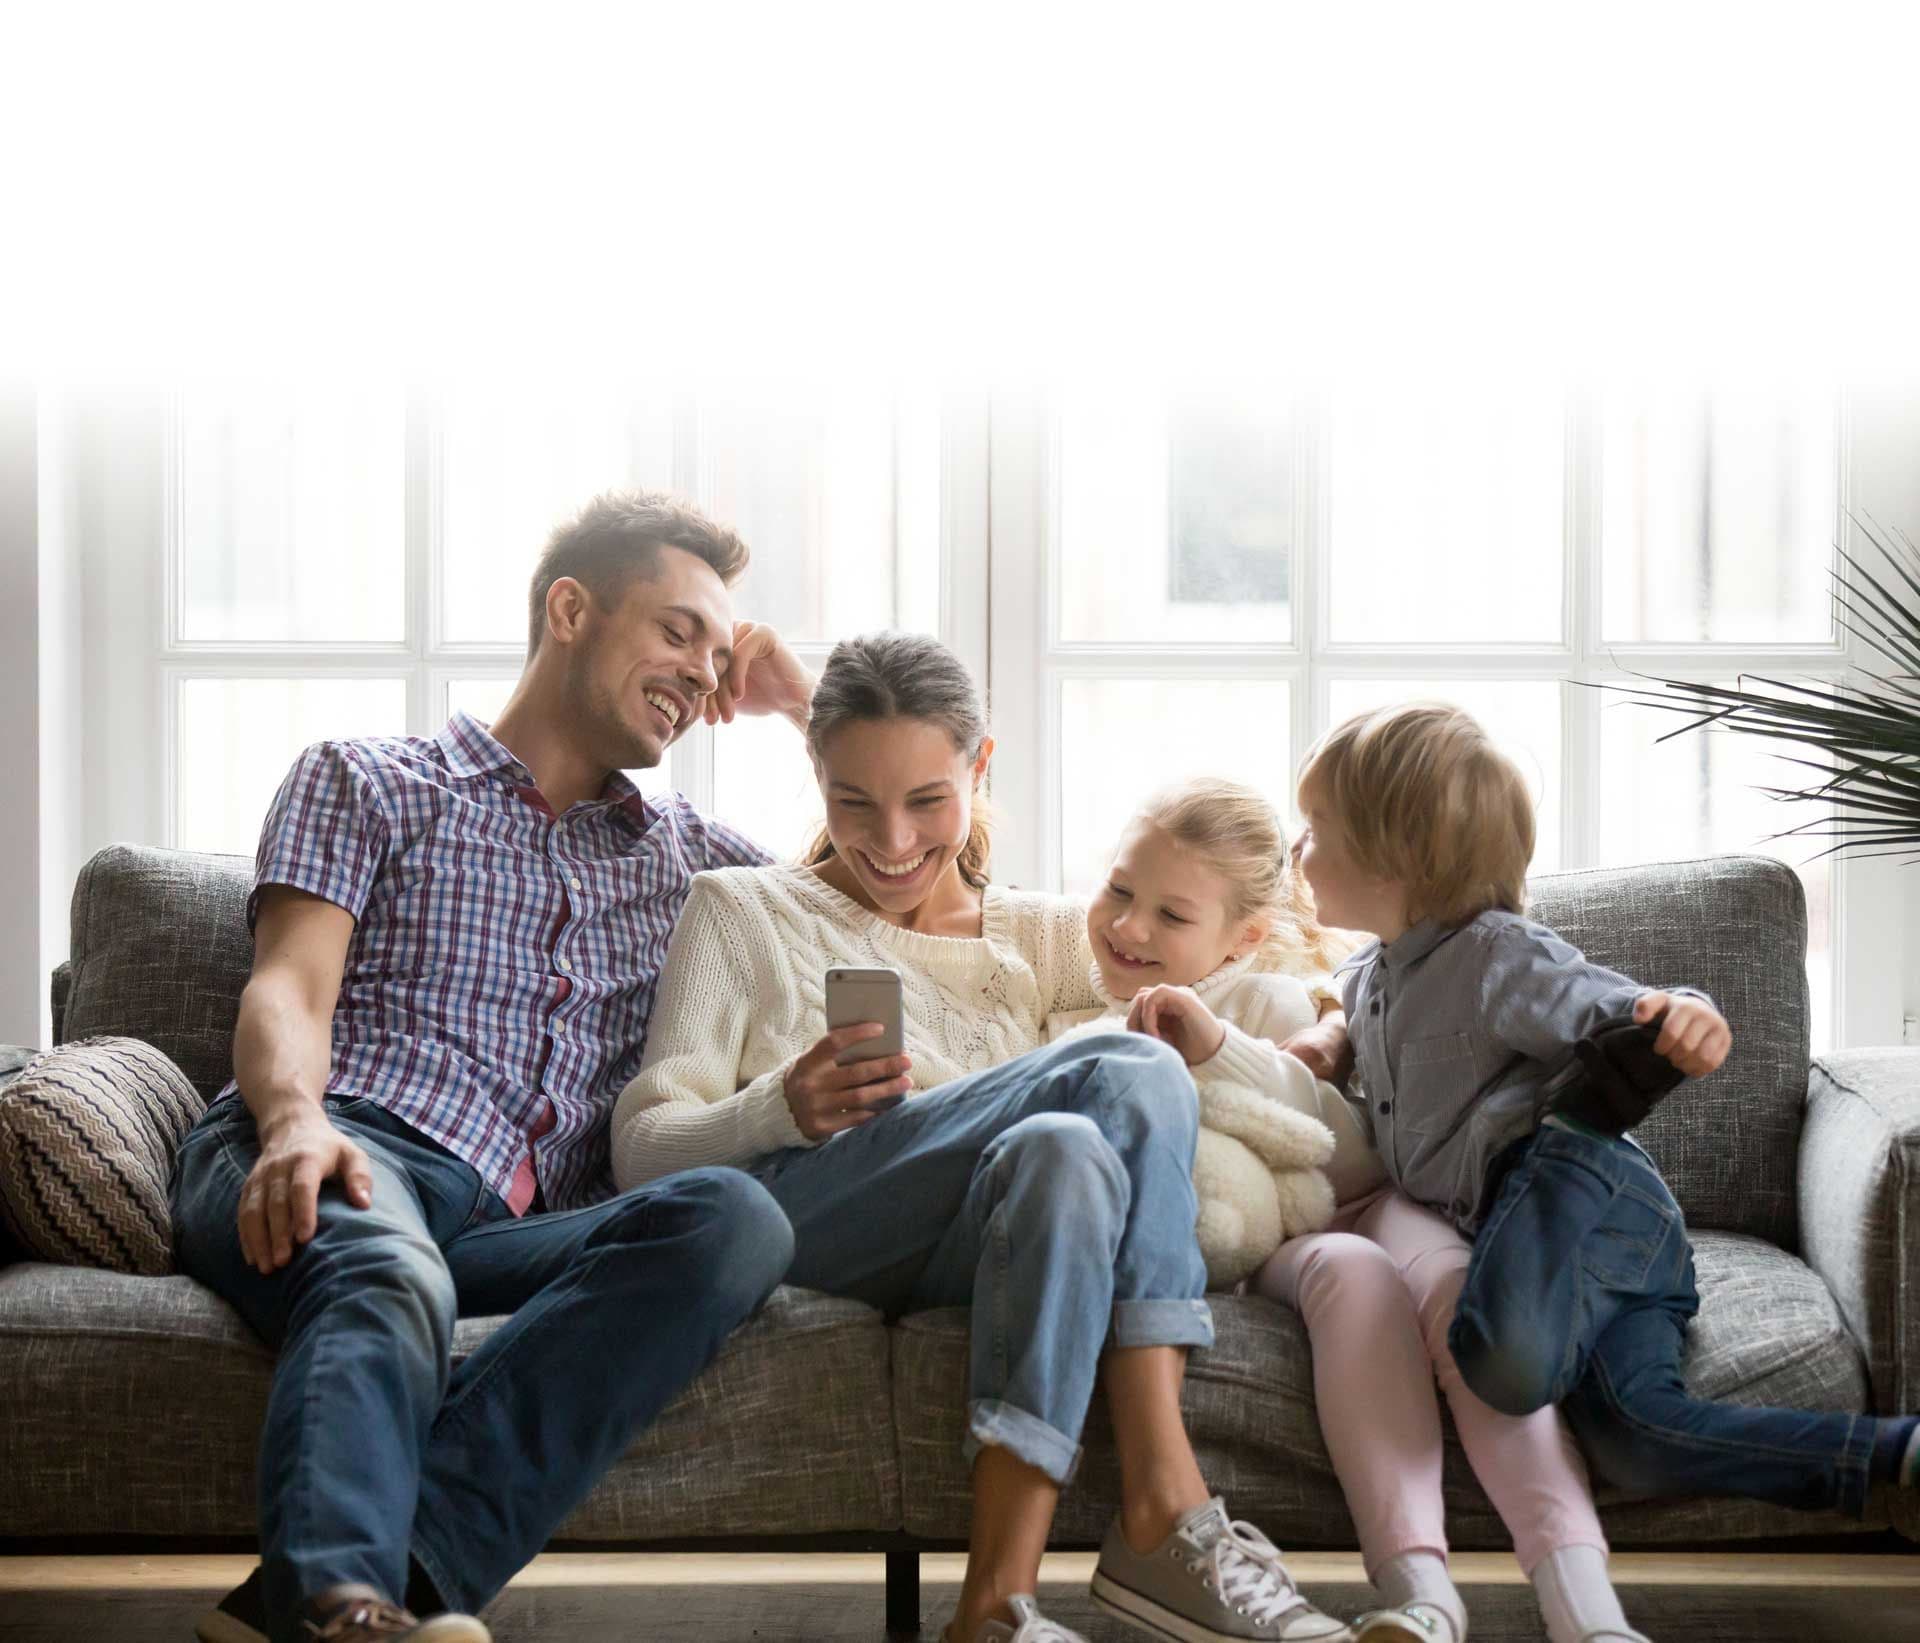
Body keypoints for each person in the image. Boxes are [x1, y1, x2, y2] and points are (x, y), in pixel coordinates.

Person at [612, 633, 1350, 1643]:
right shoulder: (741, 909)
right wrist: (779, 1104)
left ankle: (995, 1605)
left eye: (928, 799)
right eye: (853, 801)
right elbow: (641, 1146)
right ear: (816, 778)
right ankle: (1168, 1505)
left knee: (1069, 1150)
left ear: (980, 767)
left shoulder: (1050, 934)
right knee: (1129, 1067)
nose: (893, 839)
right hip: (810, 1213)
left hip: (976, 1235)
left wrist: (1342, 1018)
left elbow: (1222, 969)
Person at [171, 491, 816, 1643]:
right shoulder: (371, 779)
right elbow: (290, 987)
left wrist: (808, 710)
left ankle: (346, 1602)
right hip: (344, 1143)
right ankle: (341, 1607)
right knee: (389, 1270)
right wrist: (291, 1120)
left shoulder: (696, 866)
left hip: (511, 1227)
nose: (699, 671)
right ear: (571, 608)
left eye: (718, 656)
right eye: (676, 631)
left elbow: (908, 887)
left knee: (735, 1217)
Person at [1289, 703, 1920, 1556]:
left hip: (1587, 1205)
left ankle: (1584, 1121)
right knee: (1636, 1440)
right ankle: (1897, 1454)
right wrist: (1329, 1043)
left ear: (1398, 854)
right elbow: (1353, 1024)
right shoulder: (1368, 973)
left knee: (1502, 1363)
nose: (1299, 850)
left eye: (1315, 827)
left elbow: (1617, 1006)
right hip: (1586, 1258)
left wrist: (1685, 1013)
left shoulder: (1494, 954)